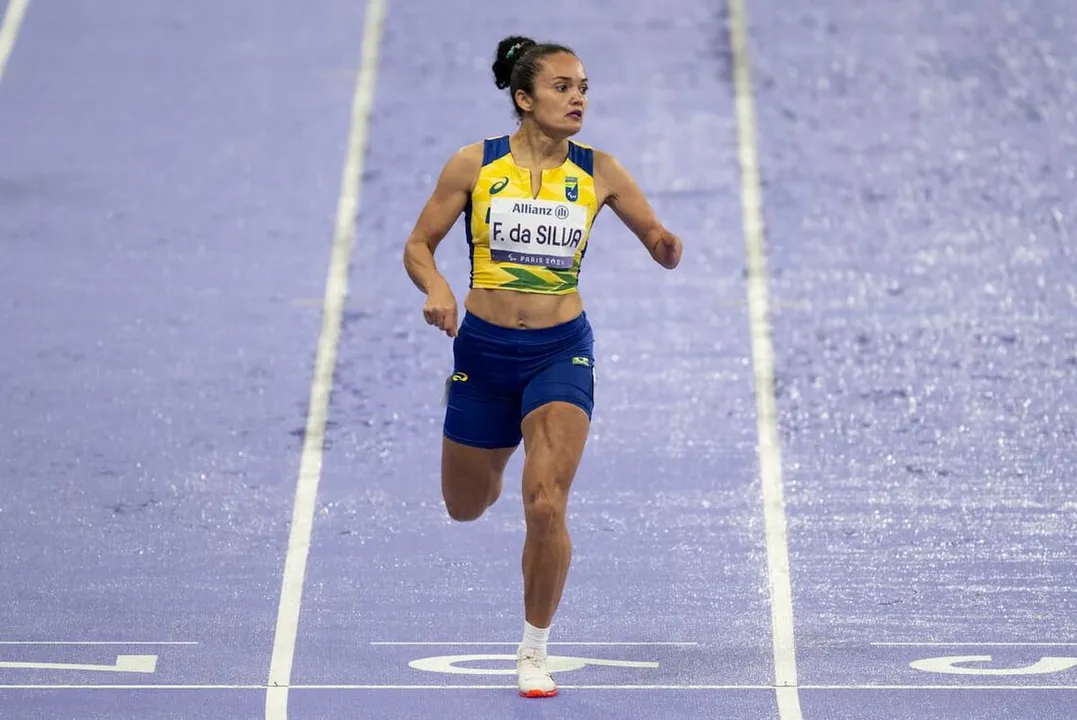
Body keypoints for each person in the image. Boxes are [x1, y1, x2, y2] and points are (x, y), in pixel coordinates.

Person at [402, 35, 682, 698]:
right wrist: (437, 289)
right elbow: (418, 244)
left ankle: (533, 649)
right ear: (524, 99)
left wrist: (666, 246)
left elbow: (657, 241)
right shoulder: (474, 165)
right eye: (561, 87)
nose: (577, 97)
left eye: (582, 86)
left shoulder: (600, 170)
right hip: (483, 351)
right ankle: (495, 449)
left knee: (546, 503)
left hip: (560, 352)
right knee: (466, 505)